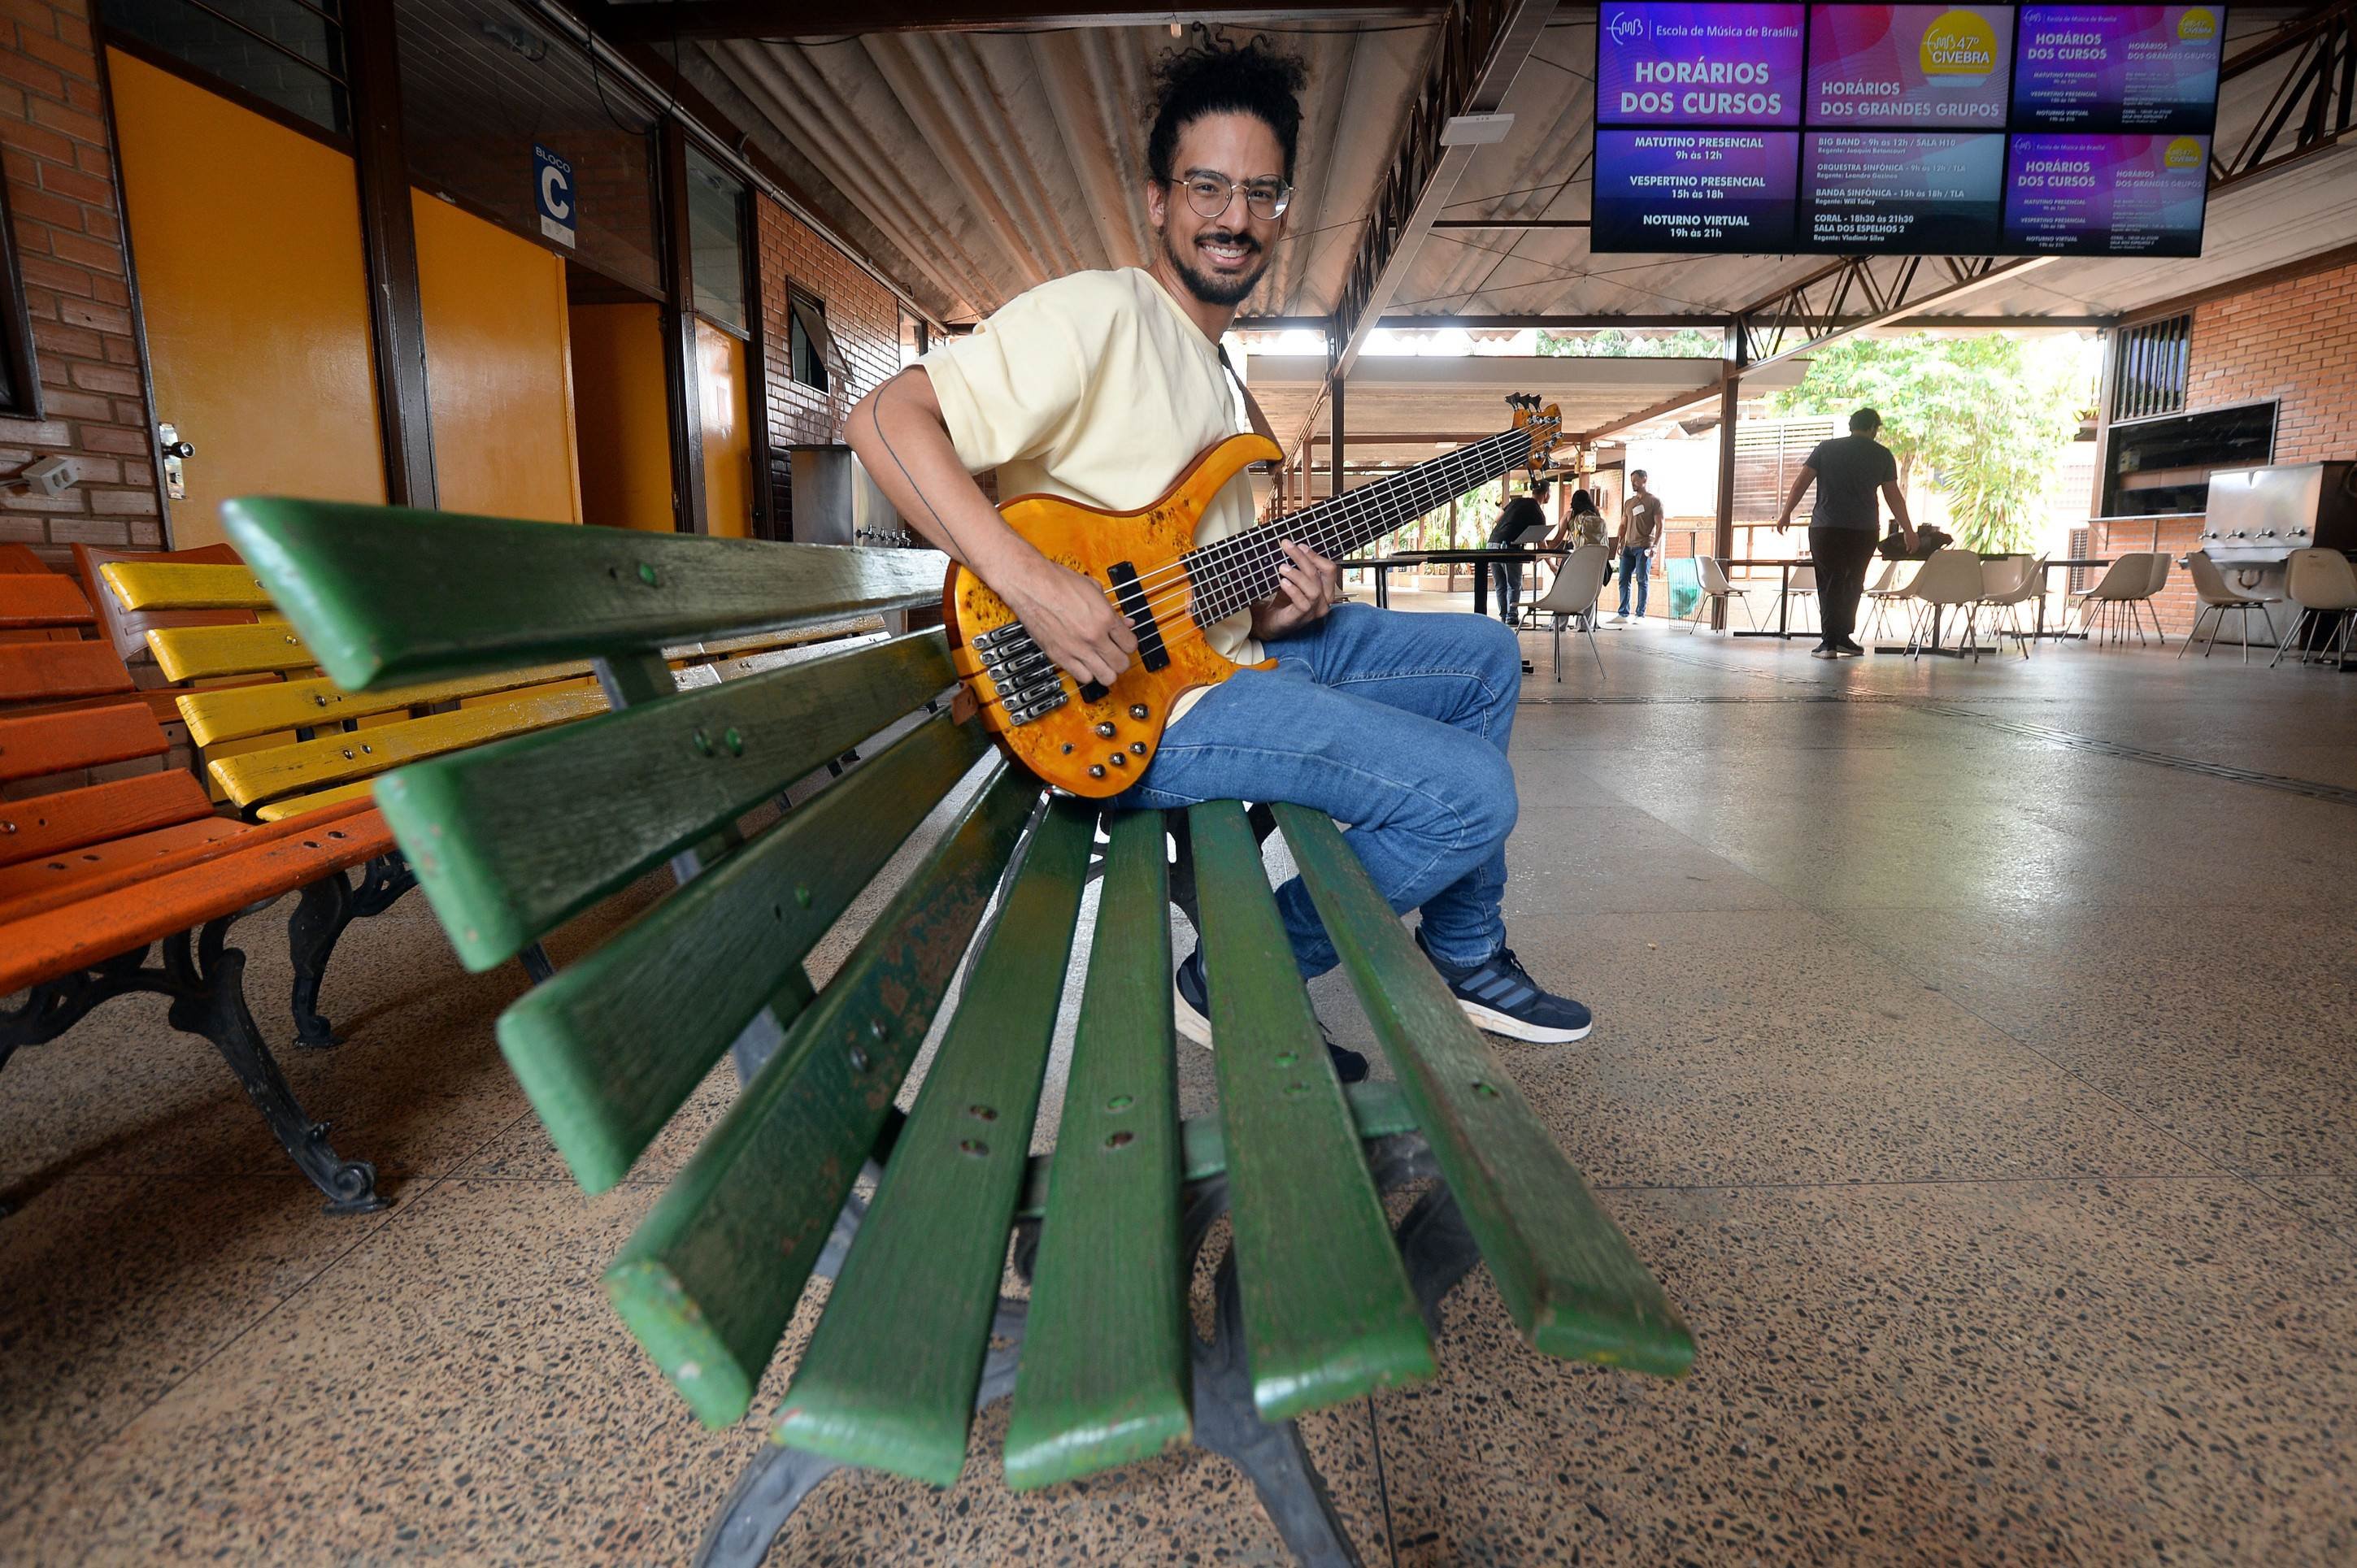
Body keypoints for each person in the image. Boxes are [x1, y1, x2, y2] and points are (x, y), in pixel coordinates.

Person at [844, 39, 1594, 1076]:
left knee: (1483, 658)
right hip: (1128, 701)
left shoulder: (1216, 371)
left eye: (1259, 192)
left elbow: (1204, 568)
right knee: (1471, 796)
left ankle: (1465, 952)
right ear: (1159, 200)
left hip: (1225, 654)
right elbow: (882, 416)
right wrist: (1036, 587)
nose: (1232, 216)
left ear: (1283, 213)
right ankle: (1245, 976)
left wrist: (1280, 603)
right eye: (1206, 185)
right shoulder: (1101, 312)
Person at [1775, 406, 1919, 657]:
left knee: (1829, 580)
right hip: (1863, 530)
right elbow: (1893, 496)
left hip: (1826, 528)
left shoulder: (1826, 449)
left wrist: (1786, 513)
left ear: (1851, 426)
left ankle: (1831, 641)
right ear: (1873, 428)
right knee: (1854, 581)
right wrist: (1908, 529)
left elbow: (1801, 482)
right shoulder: (1882, 455)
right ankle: (1841, 637)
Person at [1486, 478, 1550, 627]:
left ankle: (1504, 616)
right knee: (1514, 584)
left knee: (1500, 584)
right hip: (1509, 546)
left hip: (1492, 543)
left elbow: (1497, 519)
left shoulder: (1516, 502)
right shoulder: (1537, 512)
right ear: (1546, 495)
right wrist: (1551, 564)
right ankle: (1512, 617)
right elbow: (1542, 543)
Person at [1609, 470, 1663, 623]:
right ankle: (1623, 613)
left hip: (1644, 546)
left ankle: (1640, 614)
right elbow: (1623, 524)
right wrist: (1619, 542)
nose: (1633, 483)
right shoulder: (1629, 503)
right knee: (1623, 579)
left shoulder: (1654, 502)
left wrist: (1655, 546)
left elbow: (1660, 526)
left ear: (1644, 479)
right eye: (1632, 481)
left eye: (1636, 480)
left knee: (1642, 579)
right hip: (1628, 547)